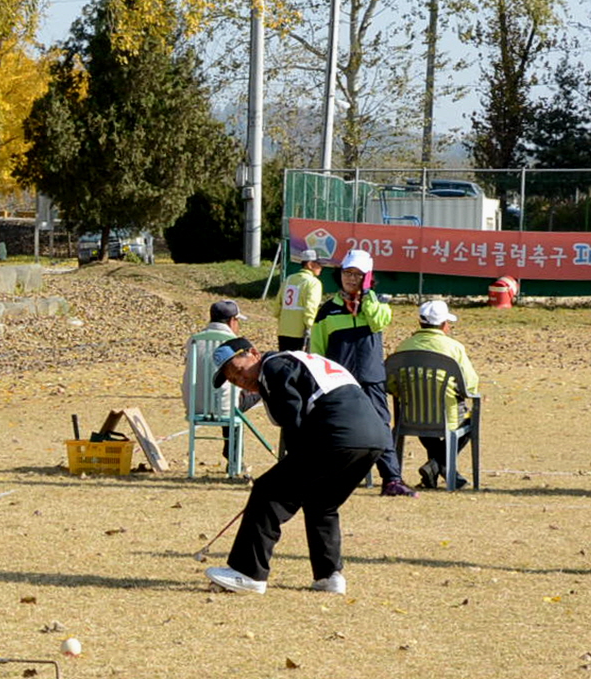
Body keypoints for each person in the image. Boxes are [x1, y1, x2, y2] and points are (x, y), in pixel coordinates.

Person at [204, 338, 390, 596]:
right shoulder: (299, 361)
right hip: (374, 439)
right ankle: (330, 576)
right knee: (321, 501)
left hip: (336, 434)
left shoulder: (273, 366)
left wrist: (290, 464)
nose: (240, 380)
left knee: (267, 492)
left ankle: (248, 573)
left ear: (254, 353)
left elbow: (293, 418)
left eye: (239, 370)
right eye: (232, 379)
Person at [310, 249, 412, 497]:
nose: (351, 279)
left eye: (358, 274)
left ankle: (392, 479)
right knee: (336, 428)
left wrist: (366, 296)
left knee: (380, 426)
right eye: (347, 273)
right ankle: (333, 476)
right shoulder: (327, 310)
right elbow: (317, 349)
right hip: (339, 382)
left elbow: (379, 322)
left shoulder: (378, 305)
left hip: (371, 378)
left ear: (368, 277)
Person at [393, 299, 480, 489]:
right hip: (448, 415)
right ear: (443, 325)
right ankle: (435, 466)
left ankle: (434, 468)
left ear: (420, 322)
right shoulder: (454, 348)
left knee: (423, 415)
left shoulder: (404, 346)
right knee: (470, 418)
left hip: (410, 415)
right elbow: (470, 386)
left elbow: (391, 384)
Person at [183, 299, 253, 472]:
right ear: (232, 321)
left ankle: (232, 456)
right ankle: (235, 460)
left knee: (226, 394)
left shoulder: (194, 340)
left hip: (195, 404)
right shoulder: (236, 343)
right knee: (247, 394)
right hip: (224, 406)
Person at [276, 248, 324, 351]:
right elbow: (310, 309)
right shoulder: (313, 283)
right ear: (310, 264)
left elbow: (277, 307)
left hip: (283, 330)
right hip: (300, 333)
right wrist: (311, 328)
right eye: (318, 264)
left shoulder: (288, 279)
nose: (321, 267)